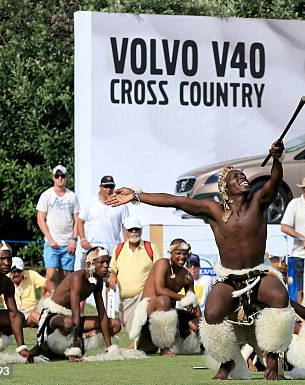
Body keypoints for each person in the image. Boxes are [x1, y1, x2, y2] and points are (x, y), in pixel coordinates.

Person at [107, 140, 295, 380]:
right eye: (236, 177)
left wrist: (277, 159)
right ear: (225, 189)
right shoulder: (213, 211)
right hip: (230, 279)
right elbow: (175, 200)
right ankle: (228, 363)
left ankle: (272, 360)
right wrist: (136, 195)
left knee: (280, 297)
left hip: (258, 275)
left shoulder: (259, 203)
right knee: (212, 313)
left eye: (243, 176)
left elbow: (274, 182)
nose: (243, 178)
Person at [34, 246, 121, 361]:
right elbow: (76, 312)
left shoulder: (98, 280)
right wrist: (74, 350)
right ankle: (74, 346)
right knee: (69, 323)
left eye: (107, 262)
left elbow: (102, 313)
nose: (106, 265)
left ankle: (81, 341)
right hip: (53, 316)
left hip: (73, 318)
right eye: (102, 262)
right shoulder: (77, 278)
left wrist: (110, 348)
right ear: (91, 263)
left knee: (115, 324)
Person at [127, 239, 200, 356]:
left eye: (185, 254)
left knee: (195, 322)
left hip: (169, 315)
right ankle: (164, 347)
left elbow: (192, 299)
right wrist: (183, 298)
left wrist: (197, 321)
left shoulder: (187, 276)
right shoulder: (162, 263)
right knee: (163, 299)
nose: (182, 256)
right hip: (148, 312)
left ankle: (204, 346)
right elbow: (159, 289)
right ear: (170, 253)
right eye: (178, 253)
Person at [108, 217, 162, 336]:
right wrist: (112, 276)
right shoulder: (119, 248)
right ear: (125, 231)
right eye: (131, 230)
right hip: (126, 301)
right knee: (132, 333)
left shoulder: (150, 247)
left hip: (145, 298)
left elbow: (160, 268)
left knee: (140, 328)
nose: (134, 232)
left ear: (141, 230)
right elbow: (112, 268)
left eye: (136, 229)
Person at [36, 165, 80, 283]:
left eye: (62, 176)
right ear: (53, 178)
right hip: (51, 244)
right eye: (57, 176)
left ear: (66, 178)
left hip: (68, 244)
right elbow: (40, 219)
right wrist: (50, 239)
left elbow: (77, 220)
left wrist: (74, 240)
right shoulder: (46, 195)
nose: (60, 178)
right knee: (50, 278)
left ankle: (62, 302)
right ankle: (45, 301)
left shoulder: (72, 196)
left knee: (66, 279)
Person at [0, 257, 55, 327]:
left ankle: (47, 329)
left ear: (23, 271)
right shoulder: (3, 280)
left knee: (37, 312)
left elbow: (47, 283)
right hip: (12, 317)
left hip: (30, 315)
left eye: (18, 271)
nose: (15, 274)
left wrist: (52, 292)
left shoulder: (30, 274)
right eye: (12, 271)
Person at [77, 175, 129, 262]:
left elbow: (125, 227)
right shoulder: (90, 203)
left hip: (113, 251)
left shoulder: (121, 204)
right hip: (92, 250)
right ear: (100, 187)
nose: (108, 189)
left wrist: (127, 246)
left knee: (112, 275)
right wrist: (83, 239)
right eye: (105, 186)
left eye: (111, 186)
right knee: (89, 275)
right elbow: (80, 221)